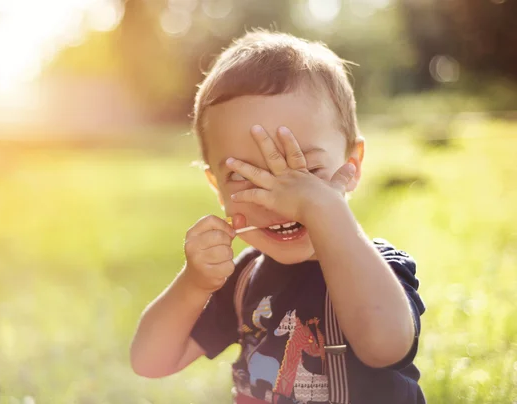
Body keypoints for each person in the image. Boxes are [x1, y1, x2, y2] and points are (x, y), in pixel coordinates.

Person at [130, 29, 426, 404]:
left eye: (305, 172)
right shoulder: (241, 281)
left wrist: (325, 211)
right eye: (243, 175)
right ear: (216, 186)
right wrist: (193, 283)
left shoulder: (377, 269)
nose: (277, 200)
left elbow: (384, 347)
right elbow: (150, 362)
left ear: (351, 165)